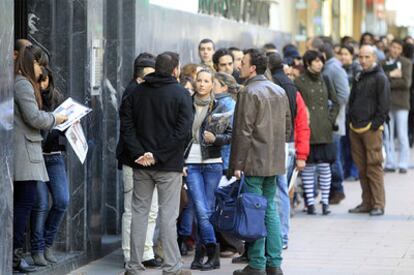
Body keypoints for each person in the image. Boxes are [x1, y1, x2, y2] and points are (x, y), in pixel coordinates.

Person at [120, 52, 193, 275]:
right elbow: (182, 133)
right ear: (175, 70)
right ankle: (171, 267)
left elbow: (126, 126)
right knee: (168, 216)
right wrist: (158, 156)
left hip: (141, 164)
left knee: (139, 213)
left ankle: (133, 265)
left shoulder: (136, 91)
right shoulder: (181, 94)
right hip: (168, 166)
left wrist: (141, 153)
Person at [231, 48, 291, 275]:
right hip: (274, 159)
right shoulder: (278, 90)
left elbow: (243, 131)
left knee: (255, 211)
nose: (240, 66)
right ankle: (274, 262)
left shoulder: (249, 92)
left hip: (255, 160)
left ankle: (257, 264)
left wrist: (237, 164)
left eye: (243, 62)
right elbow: (287, 127)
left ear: (253, 67)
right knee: (270, 210)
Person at [13, 44, 67, 273]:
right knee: (27, 205)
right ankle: (16, 255)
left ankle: (17, 254)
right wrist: (56, 118)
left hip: (37, 154)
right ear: (29, 63)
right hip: (27, 154)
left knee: (31, 203)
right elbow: (35, 118)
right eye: (39, 64)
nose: (42, 70)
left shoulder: (28, 84)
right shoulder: (23, 84)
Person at [116, 53, 162, 268]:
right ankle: (129, 254)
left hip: (149, 160)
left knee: (150, 210)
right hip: (134, 161)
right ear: (139, 76)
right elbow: (127, 130)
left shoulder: (147, 91)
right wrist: (139, 155)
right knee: (133, 210)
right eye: (150, 76)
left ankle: (145, 252)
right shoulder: (132, 93)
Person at [184, 69, 232, 271]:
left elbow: (230, 135)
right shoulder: (186, 105)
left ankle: (200, 253)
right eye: (199, 81)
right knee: (201, 209)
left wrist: (217, 139)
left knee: (205, 210)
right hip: (191, 163)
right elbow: (178, 134)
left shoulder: (220, 106)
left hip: (213, 162)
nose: (202, 84)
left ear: (212, 84)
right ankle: (212, 251)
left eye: (206, 81)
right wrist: (180, 163)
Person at [29, 53, 69, 266]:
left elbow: (61, 129)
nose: (43, 83)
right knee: (41, 204)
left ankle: (47, 243)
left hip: (54, 156)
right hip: (35, 156)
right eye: (40, 79)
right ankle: (37, 249)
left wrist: (69, 124)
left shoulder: (57, 97)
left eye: (46, 79)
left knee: (62, 201)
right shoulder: (29, 97)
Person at [268, 53, 310, 250]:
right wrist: (301, 153)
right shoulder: (293, 89)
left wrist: (301, 154)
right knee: (281, 190)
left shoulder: (269, 87)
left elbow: (301, 123)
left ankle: (279, 236)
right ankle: (282, 236)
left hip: (278, 145)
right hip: (288, 145)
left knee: (277, 190)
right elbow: (302, 123)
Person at [294, 50, 339, 215]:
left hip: (324, 129)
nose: (320, 63)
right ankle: (310, 202)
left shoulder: (325, 79)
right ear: (308, 63)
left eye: (321, 61)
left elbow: (336, 101)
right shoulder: (299, 81)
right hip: (308, 129)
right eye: (316, 61)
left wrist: (330, 119)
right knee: (309, 167)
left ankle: (325, 202)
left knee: (325, 166)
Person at [348, 45, 390, 216]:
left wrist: (375, 125)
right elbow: (352, 100)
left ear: (374, 57)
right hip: (355, 127)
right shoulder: (359, 75)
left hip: (371, 129)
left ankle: (378, 204)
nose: (363, 60)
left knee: (374, 167)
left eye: (367, 57)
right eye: (361, 57)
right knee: (362, 168)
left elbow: (384, 105)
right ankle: (367, 203)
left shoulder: (381, 78)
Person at [319, 43, 350, 205]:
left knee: (334, 157)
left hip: (335, 123)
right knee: (331, 157)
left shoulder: (333, 69)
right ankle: (333, 190)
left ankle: (337, 190)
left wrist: (330, 111)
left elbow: (344, 95)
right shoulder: (330, 68)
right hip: (330, 122)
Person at [382, 39, 413, 174]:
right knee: (388, 135)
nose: (395, 50)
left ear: (401, 50)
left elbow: (406, 83)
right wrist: (391, 75)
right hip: (387, 103)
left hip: (401, 103)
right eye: (393, 47)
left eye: (398, 48)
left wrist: (388, 80)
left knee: (402, 134)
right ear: (390, 47)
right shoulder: (382, 62)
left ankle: (403, 163)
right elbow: (380, 81)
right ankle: (390, 162)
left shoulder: (406, 63)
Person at [339, 44, 362, 182]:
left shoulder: (357, 70)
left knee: (353, 144)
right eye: (341, 54)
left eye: (346, 54)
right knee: (344, 143)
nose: (343, 56)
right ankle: (346, 170)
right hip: (342, 112)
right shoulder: (338, 69)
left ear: (352, 55)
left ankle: (354, 171)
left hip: (353, 112)